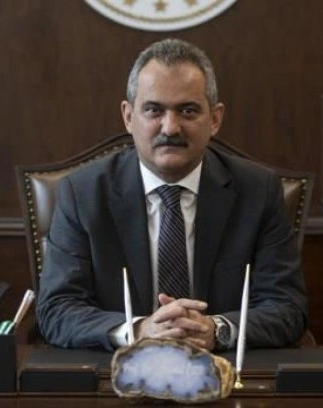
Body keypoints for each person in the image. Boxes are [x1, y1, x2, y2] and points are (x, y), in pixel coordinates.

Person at [36, 38, 308, 351]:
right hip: (118, 372)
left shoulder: (258, 191)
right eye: (154, 110)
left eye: (187, 111)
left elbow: (287, 306)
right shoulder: (83, 193)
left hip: (222, 370)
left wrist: (215, 330)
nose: (170, 128)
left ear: (215, 119)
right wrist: (139, 330)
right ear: (128, 117)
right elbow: (57, 309)